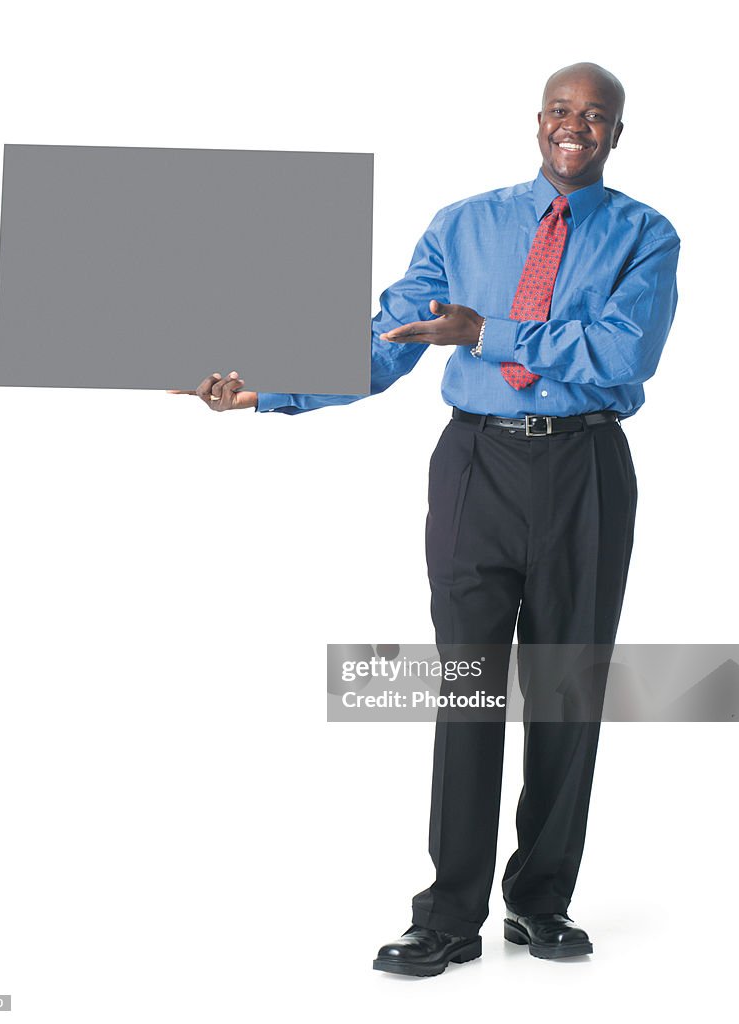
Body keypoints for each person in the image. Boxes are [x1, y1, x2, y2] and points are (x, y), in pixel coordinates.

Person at [170, 62, 680, 975]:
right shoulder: (463, 224)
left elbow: (619, 354)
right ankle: (448, 918)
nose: (577, 127)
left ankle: (541, 903)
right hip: (478, 462)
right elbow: (385, 340)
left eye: (595, 117)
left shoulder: (647, 235)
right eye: (563, 112)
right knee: (469, 688)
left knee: (567, 689)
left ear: (616, 134)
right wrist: (267, 388)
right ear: (537, 123)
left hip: (587, 466)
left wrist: (491, 332)